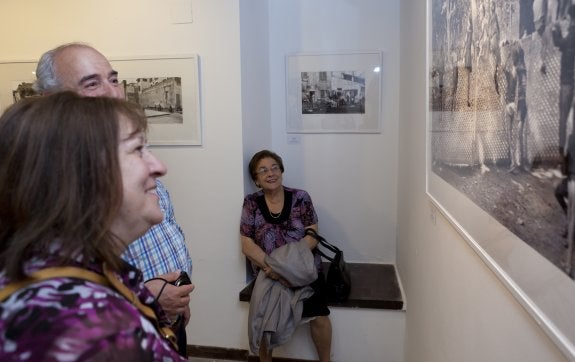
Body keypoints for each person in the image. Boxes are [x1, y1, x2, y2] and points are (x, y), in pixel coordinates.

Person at [33, 42, 194, 356]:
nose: (114, 93)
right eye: (92, 84)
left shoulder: (123, 152)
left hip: (165, 314)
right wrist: (142, 298)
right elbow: (64, 296)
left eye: (114, 79)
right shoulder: (52, 188)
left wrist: (172, 304)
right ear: (51, 101)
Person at [0, 92, 186, 360]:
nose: (159, 167)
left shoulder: (66, 270)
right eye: (137, 149)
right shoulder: (92, 331)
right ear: (79, 175)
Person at [240, 150, 332, 362]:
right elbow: (246, 244)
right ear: (256, 179)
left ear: (281, 171)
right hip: (268, 272)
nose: (270, 173)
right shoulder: (251, 203)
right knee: (264, 319)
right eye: (263, 170)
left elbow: (312, 236)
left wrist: (285, 267)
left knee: (319, 315)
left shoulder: (301, 197)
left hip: (303, 269)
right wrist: (272, 269)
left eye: (274, 167)